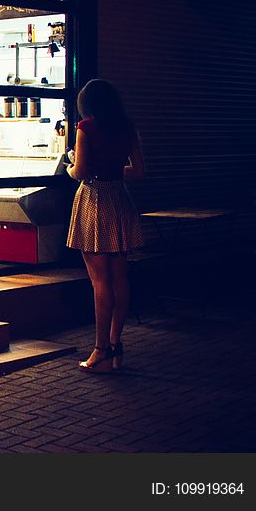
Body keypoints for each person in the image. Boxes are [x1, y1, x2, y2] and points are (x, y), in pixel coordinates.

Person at [66, 78, 145, 373]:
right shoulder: (127, 127)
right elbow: (138, 171)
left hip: (95, 199)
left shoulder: (86, 128)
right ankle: (116, 343)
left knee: (100, 281)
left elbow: (81, 171)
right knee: (119, 276)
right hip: (119, 198)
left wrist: (70, 165)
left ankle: (101, 349)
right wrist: (112, 168)